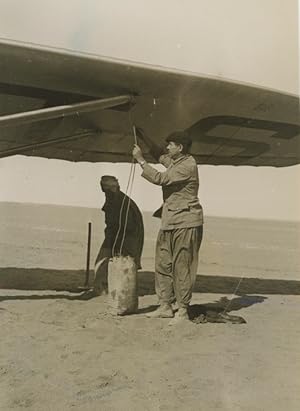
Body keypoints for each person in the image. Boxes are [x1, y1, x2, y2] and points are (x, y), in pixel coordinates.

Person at [132, 130, 203, 325]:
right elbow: (158, 154)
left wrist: (140, 160)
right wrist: (143, 136)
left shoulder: (187, 166)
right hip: (170, 220)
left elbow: (160, 179)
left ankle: (182, 310)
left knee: (182, 266)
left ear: (180, 148)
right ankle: (164, 306)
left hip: (186, 222)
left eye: (171, 144)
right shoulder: (177, 161)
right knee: (163, 264)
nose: (168, 147)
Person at [92, 175, 144, 296]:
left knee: (107, 264)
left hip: (125, 238)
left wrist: (116, 242)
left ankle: (105, 289)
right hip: (117, 236)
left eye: (105, 187)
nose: (103, 190)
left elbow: (127, 226)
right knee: (108, 263)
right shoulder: (114, 198)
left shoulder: (120, 201)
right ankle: (106, 288)